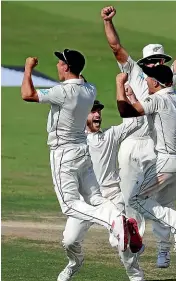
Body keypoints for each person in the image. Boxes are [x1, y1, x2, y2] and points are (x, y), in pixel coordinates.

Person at [20, 49, 142, 255]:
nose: (58, 66)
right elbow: (81, 79)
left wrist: (28, 68)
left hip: (63, 153)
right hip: (82, 151)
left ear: (67, 67)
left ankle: (113, 222)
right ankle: (119, 218)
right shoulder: (90, 90)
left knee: (69, 205)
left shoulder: (63, 92)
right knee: (95, 198)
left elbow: (27, 94)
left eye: (60, 63)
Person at [101, 5, 176, 268]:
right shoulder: (133, 70)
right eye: (151, 61)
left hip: (157, 149)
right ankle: (134, 246)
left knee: (164, 201)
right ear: (143, 64)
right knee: (131, 199)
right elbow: (116, 48)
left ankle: (165, 249)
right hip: (132, 145)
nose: (156, 64)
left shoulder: (167, 80)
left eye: (159, 60)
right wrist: (108, 22)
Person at [57, 100, 147, 281]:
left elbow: (137, 122)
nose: (97, 115)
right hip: (85, 201)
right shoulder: (75, 142)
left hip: (112, 198)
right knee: (69, 241)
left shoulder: (110, 135)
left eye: (98, 111)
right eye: (92, 111)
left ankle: (136, 276)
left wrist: (129, 98)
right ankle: (75, 263)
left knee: (121, 241)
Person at [114, 66, 176, 255]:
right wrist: (133, 97)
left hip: (166, 161)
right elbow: (145, 113)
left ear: (156, 83)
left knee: (134, 199)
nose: (146, 82)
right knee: (161, 205)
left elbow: (126, 112)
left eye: (148, 79)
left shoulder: (157, 99)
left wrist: (119, 84)